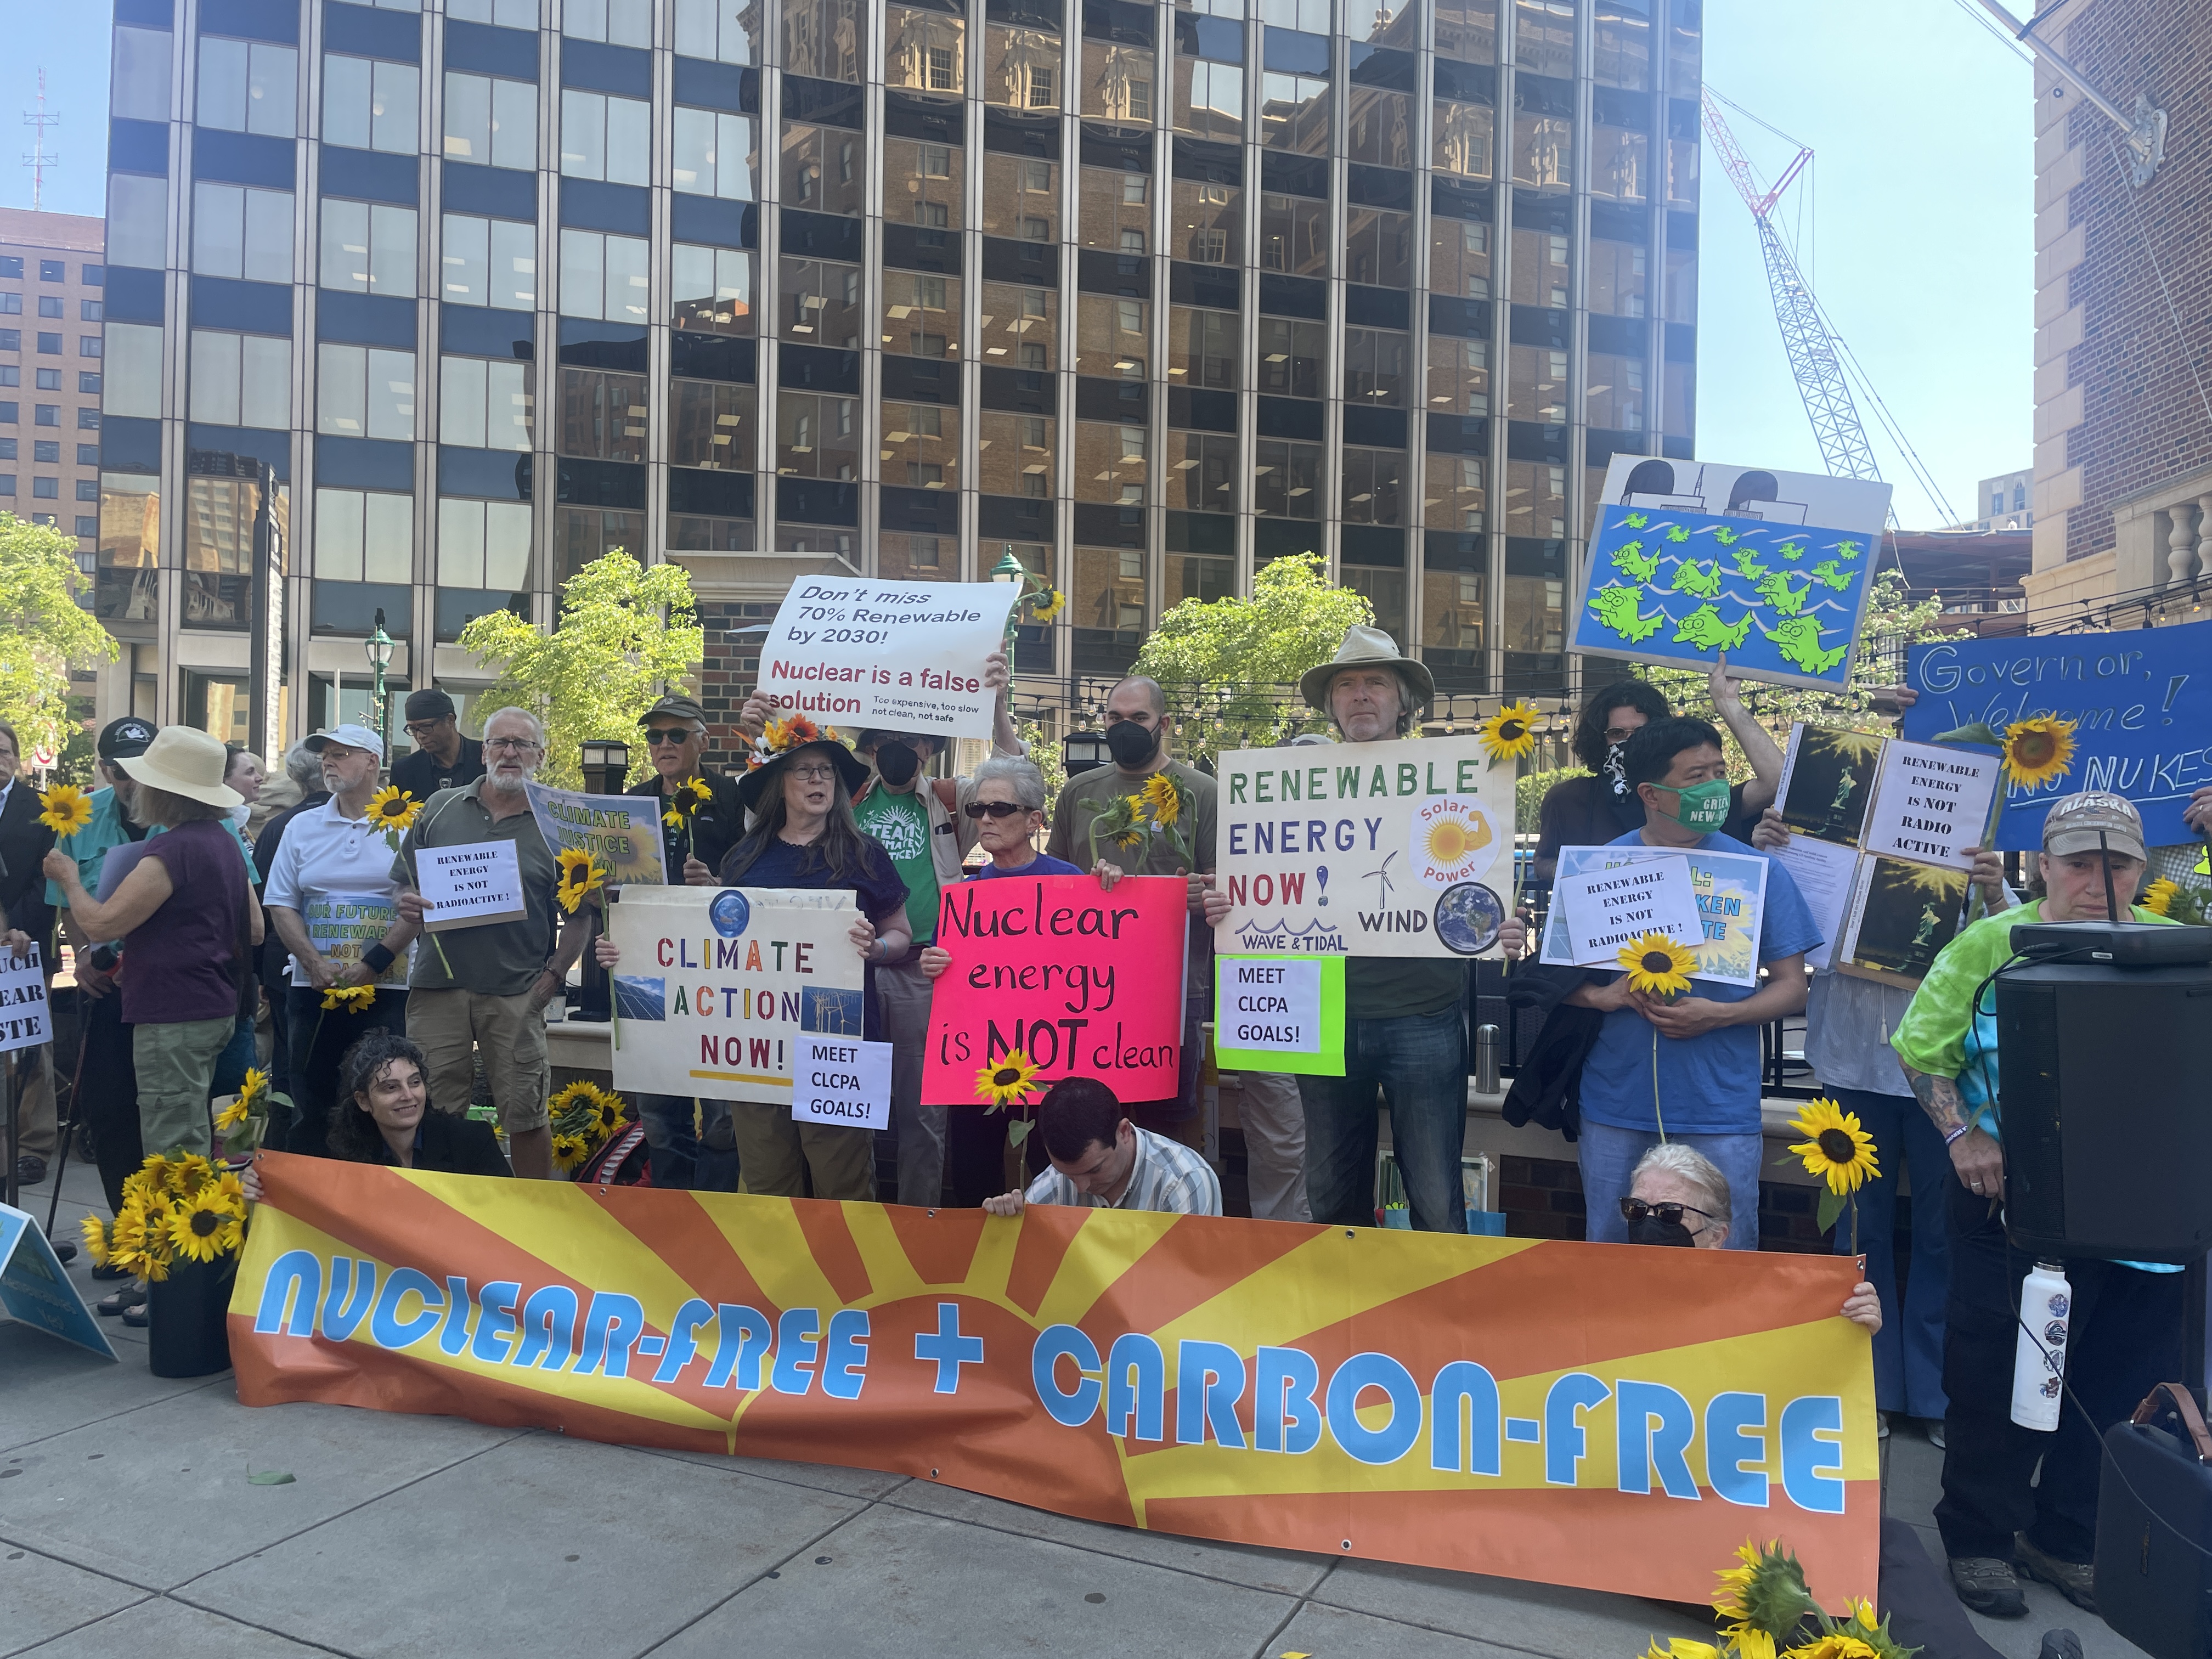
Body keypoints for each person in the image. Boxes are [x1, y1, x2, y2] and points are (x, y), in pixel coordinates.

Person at [1892, 789, 2186, 1620]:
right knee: (2000, 1377)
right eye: (2080, 864)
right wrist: (1962, 1140)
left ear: (2140, 869)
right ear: (2044, 867)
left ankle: (2065, 1537)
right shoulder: (1988, 946)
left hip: (2150, 1222)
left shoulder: (2179, 951)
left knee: (2124, 1380)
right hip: (2014, 1206)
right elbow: (1921, 1052)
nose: (2099, 882)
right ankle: (1980, 1538)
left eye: (2117, 864)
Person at [1618, 1142, 2083, 1659]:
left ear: (1718, 1235)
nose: (1649, 1225)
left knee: (1887, 1543)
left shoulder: (1762, 1306)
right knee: (1819, 1593)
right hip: (1657, 1522)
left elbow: (1816, 1422)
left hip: (1753, 1501)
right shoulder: (1591, 1301)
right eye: (1636, 1211)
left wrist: (1849, 1343)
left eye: (1669, 1214)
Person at [1274, 628, 1527, 1234]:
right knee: (1330, 1192)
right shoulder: (1290, 787)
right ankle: (1345, 1316)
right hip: (1324, 1017)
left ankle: (1440, 1322)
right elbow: (1268, 871)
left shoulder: (1451, 777)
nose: (1360, 696)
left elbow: (1475, 877)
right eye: (1346, 685)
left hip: (1423, 1015)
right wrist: (1231, 899)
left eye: (1375, 683)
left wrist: (1500, 925)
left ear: (1402, 701)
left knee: (1438, 1197)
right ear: (1331, 704)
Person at [601, 719, 910, 1201]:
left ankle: (852, 1278)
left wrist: (878, 948)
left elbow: (901, 934)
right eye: (804, 771)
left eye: (826, 773)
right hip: (756, 1051)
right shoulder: (746, 857)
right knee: (767, 1188)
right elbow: (710, 948)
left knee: (844, 1185)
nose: (818, 781)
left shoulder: (866, 854)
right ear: (777, 785)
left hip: (842, 1046)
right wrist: (627, 951)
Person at [1566, 715, 1820, 1250]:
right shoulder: (1600, 868)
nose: (1712, 786)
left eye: (1718, 770)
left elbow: (1793, 987)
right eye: (1694, 775)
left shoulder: (1757, 873)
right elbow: (1552, 982)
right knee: (1612, 1257)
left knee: (1725, 1261)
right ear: (1650, 795)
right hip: (1617, 1102)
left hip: (1719, 1107)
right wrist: (1604, 996)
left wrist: (1721, 1014)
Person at [840, 664, 1025, 1207]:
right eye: (885, 739)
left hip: (925, 974)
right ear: (871, 748)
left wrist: (996, 706)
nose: (898, 748)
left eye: (910, 738)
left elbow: (1016, 779)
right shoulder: (847, 805)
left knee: (925, 1113)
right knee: (854, 1104)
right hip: (853, 972)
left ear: (927, 745)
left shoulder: (951, 801)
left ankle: (919, 1222)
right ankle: (861, 1217)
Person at [41, 726, 262, 1171]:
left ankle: (179, 1239)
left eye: (143, 777)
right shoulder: (221, 838)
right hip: (213, 1003)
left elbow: (103, 922)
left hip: (171, 1013)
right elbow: (254, 928)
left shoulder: (172, 848)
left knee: (174, 1149)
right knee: (197, 1136)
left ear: (164, 790)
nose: (135, 786)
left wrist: (67, 877)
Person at [391, 707, 593, 1181]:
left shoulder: (559, 827)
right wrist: (408, 903)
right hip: (439, 988)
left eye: (521, 745)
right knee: (434, 1112)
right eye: (500, 743)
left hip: (517, 992)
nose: (509, 753)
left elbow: (581, 918)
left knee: (525, 1114)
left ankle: (533, 1216)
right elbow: (404, 883)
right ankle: (439, 1213)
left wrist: (553, 976)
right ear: (483, 752)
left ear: (540, 756)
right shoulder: (438, 810)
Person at [915, 754, 1107, 1206]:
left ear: (1034, 819)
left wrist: (1110, 890)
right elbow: (957, 981)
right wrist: (935, 966)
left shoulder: (1072, 883)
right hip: (981, 1063)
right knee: (972, 1172)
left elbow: (1100, 963)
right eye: (977, 809)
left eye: (999, 809)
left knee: (1053, 1175)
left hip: (1056, 1061)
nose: (985, 818)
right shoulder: (966, 900)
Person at [1043, 675, 1217, 1153]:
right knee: (1085, 1120)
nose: (1126, 728)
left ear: (1164, 724)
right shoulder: (1079, 793)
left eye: (1138, 718)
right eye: (1115, 718)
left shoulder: (1202, 792)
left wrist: (1188, 894)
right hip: (1082, 989)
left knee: (1169, 1123)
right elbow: (1052, 882)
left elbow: (1224, 890)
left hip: (1171, 990)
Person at [262, 724, 421, 1159]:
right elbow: (280, 903)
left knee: (384, 1095)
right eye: (325, 755)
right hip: (314, 986)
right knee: (310, 1095)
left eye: (341, 753)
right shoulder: (302, 826)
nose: (328, 762)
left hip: (389, 988)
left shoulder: (407, 825)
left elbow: (418, 906)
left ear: (372, 762)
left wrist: (373, 963)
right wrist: (312, 963)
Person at [622, 695, 748, 1191]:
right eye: (655, 736)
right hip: (649, 970)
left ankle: (717, 1220)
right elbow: (613, 893)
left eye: (677, 735)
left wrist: (719, 885)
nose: (664, 744)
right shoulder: (635, 801)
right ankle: (669, 1217)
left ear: (704, 740)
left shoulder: (735, 798)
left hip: (719, 972)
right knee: (657, 1108)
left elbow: (761, 882)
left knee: (720, 1114)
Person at [1534, 662, 1785, 882]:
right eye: (1617, 734)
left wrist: (1727, 702)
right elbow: (1543, 861)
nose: (1629, 742)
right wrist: (1581, 873)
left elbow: (1777, 780)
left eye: (1641, 732)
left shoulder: (1697, 796)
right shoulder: (1568, 798)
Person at [241, 1032, 507, 1198]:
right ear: (364, 1101)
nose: (408, 1095)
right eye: (391, 1088)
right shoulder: (332, 1153)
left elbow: (510, 1215)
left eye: (415, 1082)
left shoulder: (472, 1141)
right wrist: (259, 1186)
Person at [980, 1077, 1222, 1217]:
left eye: (1094, 1170)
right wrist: (1006, 1230)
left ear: (1124, 1132)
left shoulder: (1185, 1182)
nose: (1082, 1187)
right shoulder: (1053, 1183)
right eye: (1067, 1174)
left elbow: (1194, 1290)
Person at [256, 741, 333, 1118]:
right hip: (354, 959)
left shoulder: (276, 829)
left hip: (281, 958)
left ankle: (287, 1144)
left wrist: (258, 971)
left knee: (289, 1060)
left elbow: (260, 899)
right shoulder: (371, 824)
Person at [0, 720, 58, 1189]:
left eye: (4, 751)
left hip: (22, 948)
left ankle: (34, 1146)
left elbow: (49, 880)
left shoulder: (42, 811)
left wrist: (13, 926)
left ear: (17, 759)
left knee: (29, 1049)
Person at [390, 689, 487, 802]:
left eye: (426, 727)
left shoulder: (487, 757)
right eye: (413, 729)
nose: (420, 736)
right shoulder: (404, 770)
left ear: (450, 720)